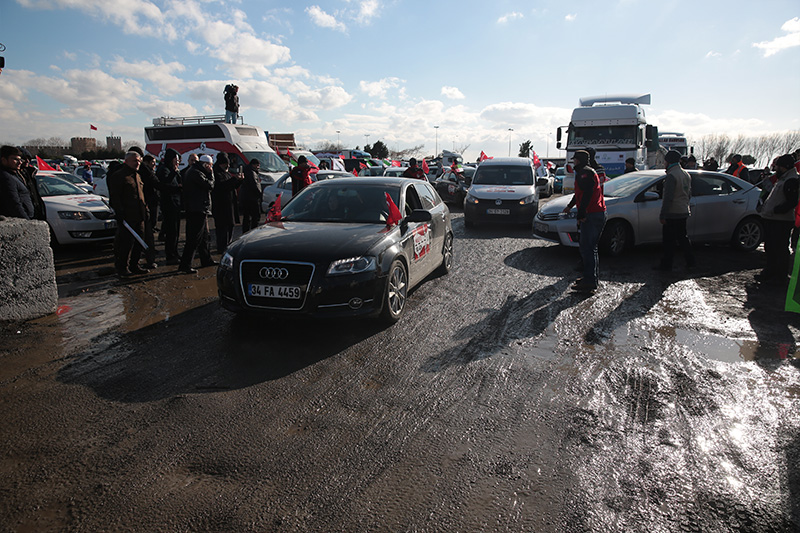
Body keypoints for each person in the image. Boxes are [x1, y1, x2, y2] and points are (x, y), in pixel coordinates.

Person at [562, 150, 606, 291]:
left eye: (575, 159)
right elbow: (580, 193)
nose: (573, 161)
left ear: (579, 160)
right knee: (590, 248)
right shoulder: (586, 172)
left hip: (592, 214)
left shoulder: (584, 173)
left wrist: (581, 214)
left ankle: (589, 281)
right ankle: (590, 277)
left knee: (587, 248)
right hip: (596, 213)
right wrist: (570, 206)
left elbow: (587, 194)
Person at [756, 154, 799, 285]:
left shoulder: (791, 180)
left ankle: (779, 276)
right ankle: (770, 272)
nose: (776, 169)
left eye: (778, 166)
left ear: (785, 167)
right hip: (774, 218)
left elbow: (792, 202)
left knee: (779, 249)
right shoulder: (783, 179)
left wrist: (776, 210)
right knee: (771, 247)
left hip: (781, 220)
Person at [107, 151, 149, 277]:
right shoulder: (119, 176)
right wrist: (119, 213)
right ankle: (122, 268)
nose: (138, 163)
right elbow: (115, 197)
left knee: (138, 243)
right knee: (125, 244)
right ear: (127, 161)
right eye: (134, 161)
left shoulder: (136, 175)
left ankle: (134, 265)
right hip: (127, 216)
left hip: (139, 215)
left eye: (139, 161)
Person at [654, 150, 694, 271]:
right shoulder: (685, 174)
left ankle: (667, 265)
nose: (664, 162)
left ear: (669, 161)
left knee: (668, 241)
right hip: (683, 210)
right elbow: (689, 194)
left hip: (672, 212)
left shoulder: (671, 175)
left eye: (665, 160)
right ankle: (691, 261)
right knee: (683, 238)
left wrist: (663, 214)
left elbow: (668, 197)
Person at [179, 155, 216, 273]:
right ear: (206, 165)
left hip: (198, 208)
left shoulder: (194, 171)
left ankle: (206, 259)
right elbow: (210, 185)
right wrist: (211, 174)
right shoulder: (196, 173)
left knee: (204, 237)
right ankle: (185, 265)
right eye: (210, 166)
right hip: (197, 209)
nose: (210, 168)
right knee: (194, 238)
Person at [211, 152, 243, 253]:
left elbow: (231, 186)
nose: (228, 166)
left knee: (230, 226)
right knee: (222, 229)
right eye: (226, 164)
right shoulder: (216, 173)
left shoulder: (226, 173)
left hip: (229, 205)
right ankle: (222, 247)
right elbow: (222, 186)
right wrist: (234, 179)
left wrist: (239, 181)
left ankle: (227, 245)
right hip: (221, 206)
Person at [156, 148, 183, 265]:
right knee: (171, 232)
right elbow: (165, 184)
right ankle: (170, 255)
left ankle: (175, 252)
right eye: (176, 160)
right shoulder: (164, 170)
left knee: (176, 232)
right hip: (168, 204)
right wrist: (174, 173)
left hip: (176, 204)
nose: (177, 162)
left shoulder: (173, 170)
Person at [0, 145, 34, 219]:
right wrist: (26, 221)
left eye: (20, 159)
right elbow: (13, 204)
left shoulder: (14, 175)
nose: (20, 162)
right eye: (15, 159)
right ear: (4, 160)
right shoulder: (6, 177)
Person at [16, 147, 45, 220]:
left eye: (29, 158)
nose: (27, 161)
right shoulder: (12, 176)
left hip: (35, 214)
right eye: (24, 158)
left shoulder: (29, 174)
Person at [240, 158, 262, 232]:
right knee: (255, 217)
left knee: (247, 217)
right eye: (257, 165)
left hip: (246, 198)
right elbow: (255, 185)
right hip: (252, 198)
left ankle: (245, 232)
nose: (258, 167)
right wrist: (259, 194)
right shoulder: (252, 172)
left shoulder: (247, 171)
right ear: (254, 165)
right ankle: (253, 232)